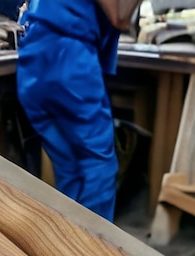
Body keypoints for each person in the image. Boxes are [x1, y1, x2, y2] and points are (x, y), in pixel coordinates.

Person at [16, 0, 121, 222]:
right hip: (69, 58)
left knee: (70, 167)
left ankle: (70, 249)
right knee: (98, 165)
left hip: (33, 57)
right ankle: (95, 253)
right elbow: (118, 15)